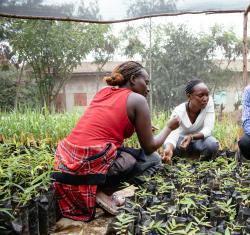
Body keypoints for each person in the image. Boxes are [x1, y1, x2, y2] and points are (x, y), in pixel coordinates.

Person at [51, 61, 180, 221]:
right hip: (89, 167)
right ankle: (103, 191)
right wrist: (169, 127)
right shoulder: (137, 100)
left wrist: (141, 126)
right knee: (153, 160)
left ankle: (98, 189)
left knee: (123, 153)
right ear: (133, 79)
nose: (148, 88)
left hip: (66, 165)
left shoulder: (104, 92)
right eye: (146, 83)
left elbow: (112, 126)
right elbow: (149, 147)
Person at [162, 79, 219, 162]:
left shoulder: (209, 104)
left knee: (212, 144)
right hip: (182, 143)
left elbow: (208, 129)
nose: (205, 99)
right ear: (189, 96)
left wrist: (191, 137)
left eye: (207, 95)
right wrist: (169, 149)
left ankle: (201, 162)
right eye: (200, 95)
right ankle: (182, 159)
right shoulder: (179, 111)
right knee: (169, 145)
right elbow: (173, 135)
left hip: (199, 140)